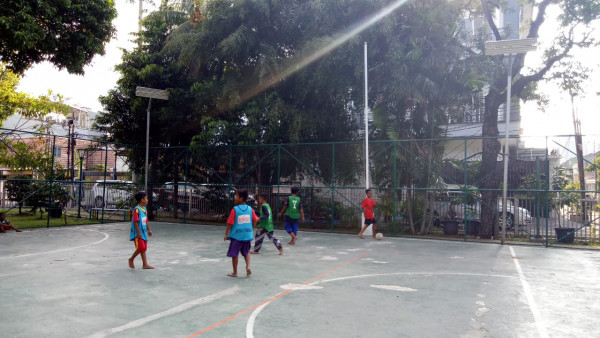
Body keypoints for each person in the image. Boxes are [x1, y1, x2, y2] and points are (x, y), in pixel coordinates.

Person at [225, 190, 258, 277]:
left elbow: (229, 223)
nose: (235, 198)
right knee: (246, 252)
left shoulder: (235, 210)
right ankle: (248, 266)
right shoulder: (250, 209)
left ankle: (235, 272)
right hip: (247, 235)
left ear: (241, 198)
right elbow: (255, 220)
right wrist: (251, 228)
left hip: (237, 236)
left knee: (234, 254)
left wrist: (226, 234)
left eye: (237, 196)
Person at [128, 192, 154, 269]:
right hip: (138, 233)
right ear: (142, 200)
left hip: (143, 232)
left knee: (143, 248)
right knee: (140, 248)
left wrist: (149, 230)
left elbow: (146, 220)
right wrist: (138, 232)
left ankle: (145, 264)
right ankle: (131, 259)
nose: (147, 200)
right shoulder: (137, 210)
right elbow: (135, 221)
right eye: (146, 198)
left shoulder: (144, 209)